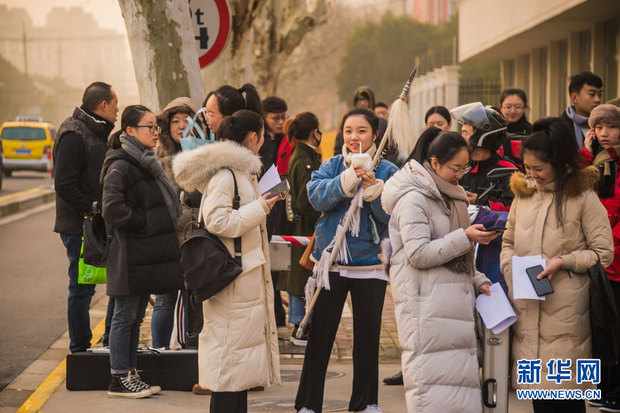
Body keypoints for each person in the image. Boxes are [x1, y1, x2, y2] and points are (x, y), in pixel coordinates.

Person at [500, 117, 614, 413]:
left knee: (565, 400)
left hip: (568, 318)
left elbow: (603, 252)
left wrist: (565, 261)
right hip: (528, 310)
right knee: (539, 400)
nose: (532, 175)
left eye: (538, 169)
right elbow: (508, 241)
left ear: (559, 162)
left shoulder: (584, 197)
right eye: (527, 167)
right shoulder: (523, 193)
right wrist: (511, 270)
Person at [173, 109, 281, 413]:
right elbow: (217, 221)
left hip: (242, 281)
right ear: (252, 137)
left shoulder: (242, 174)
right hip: (232, 282)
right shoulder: (226, 176)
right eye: (261, 135)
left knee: (239, 371)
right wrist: (260, 207)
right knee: (229, 369)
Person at [381, 131, 496, 413]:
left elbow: (456, 257)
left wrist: (478, 279)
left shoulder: (448, 195)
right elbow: (419, 255)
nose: (460, 174)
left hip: (450, 307)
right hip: (426, 309)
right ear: (434, 163)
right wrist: (466, 237)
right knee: (433, 394)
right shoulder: (413, 200)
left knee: (457, 392)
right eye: (455, 168)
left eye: (465, 167)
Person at [295, 108, 398, 413]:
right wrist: (348, 179)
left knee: (368, 338)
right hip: (332, 264)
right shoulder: (332, 165)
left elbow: (392, 217)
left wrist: (375, 192)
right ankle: (308, 404)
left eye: (362, 131)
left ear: (375, 134)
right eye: (349, 131)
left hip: (371, 265)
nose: (355, 137)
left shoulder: (389, 171)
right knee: (321, 337)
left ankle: (366, 403)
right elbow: (315, 198)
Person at [101, 105, 184, 398]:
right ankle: (118, 377)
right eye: (149, 127)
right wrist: (145, 222)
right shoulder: (121, 164)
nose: (155, 132)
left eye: (155, 127)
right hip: (128, 254)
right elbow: (112, 209)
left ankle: (129, 371)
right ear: (130, 131)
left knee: (135, 316)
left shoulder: (145, 162)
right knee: (124, 316)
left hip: (141, 255)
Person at [53, 81, 118, 353]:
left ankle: (110, 342)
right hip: (82, 227)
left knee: (116, 283)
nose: (118, 111)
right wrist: (91, 209)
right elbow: (64, 183)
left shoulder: (98, 131)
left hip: (97, 223)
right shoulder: (73, 133)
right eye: (116, 106)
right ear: (102, 105)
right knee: (82, 289)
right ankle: (79, 349)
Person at [577, 104, 620, 412]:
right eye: (598, 127)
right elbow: (571, 185)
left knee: (614, 331)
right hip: (597, 260)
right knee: (598, 330)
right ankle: (602, 387)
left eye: (611, 127)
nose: (604, 134)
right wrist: (585, 152)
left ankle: (616, 392)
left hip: (614, 258)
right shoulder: (596, 161)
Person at [152, 97, 198, 349]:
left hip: (196, 238)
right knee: (165, 300)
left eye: (187, 121)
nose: (181, 126)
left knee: (193, 299)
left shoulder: (203, 155)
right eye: (175, 121)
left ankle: (190, 354)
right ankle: (158, 353)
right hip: (168, 239)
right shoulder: (158, 159)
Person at [276, 112, 323, 346]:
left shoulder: (303, 155)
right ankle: (299, 324)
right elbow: (306, 200)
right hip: (305, 226)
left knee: (302, 273)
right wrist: (322, 213)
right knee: (301, 275)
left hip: (304, 225)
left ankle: (302, 322)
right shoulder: (304, 160)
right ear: (314, 131)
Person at [451, 102, 517, 210]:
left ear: (482, 137)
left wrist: (480, 201)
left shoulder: (508, 170)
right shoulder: (458, 166)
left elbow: (515, 208)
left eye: (465, 133)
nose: (461, 137)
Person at [261, 96, 290, 327]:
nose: (281, 122)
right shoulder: (258, 140)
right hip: (260, 206)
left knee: (280, 262)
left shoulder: (288, 141)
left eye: (284, 117)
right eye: (275, 118)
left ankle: (278, 311)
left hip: (282, 208)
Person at [559, 71, 603, 149]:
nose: (597, 99)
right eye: (592, 94)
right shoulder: (560, 127)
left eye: (599, 95)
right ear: (574, 98)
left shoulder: (606, 125)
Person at [334, 86, 376, 155]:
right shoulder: (348, 122)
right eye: (360, 100)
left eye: (365, 100)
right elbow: (338, 148)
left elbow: (388, 149)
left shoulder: (379, 123)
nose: (362, 103)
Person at [499, 88, 532, 164]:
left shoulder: (532, 132)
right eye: (508, 107)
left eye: (517, 107)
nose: (513, 111)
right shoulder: (494, 132)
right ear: (501, 108)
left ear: (524, 108)